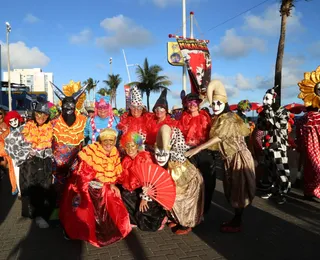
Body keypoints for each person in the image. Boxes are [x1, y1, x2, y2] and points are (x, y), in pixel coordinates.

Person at [186, 79, 256, 233]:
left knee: (239, 190)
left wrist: (195, 150)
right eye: (213, 104)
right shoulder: (219, 119)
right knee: (233, 190)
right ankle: (236, 220)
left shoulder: (228, 118)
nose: (215, 106)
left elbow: (219, 138)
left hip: (238, 158)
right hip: (230, 159)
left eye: (218, 103)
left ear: (224, 103)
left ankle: (237, 222)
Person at [59, 128, 131, 247]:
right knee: (81, 210)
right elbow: (82, 173)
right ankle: (75, 232)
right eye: (105, 140)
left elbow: (114, 171)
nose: (108, 144)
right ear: (101, 141)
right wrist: (91, 184)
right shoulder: (91, 151)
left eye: (111, 141)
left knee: (112, 201)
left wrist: (112, 184)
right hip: (87, 186)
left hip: (103, 187)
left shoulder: (114, 152)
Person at [155, 125, 204, 235]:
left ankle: (186, 223)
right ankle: (178, 219)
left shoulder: (177, 136)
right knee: (174, 196)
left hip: (180, 170)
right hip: (171, 168)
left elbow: (179, 153)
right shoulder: (165, 132)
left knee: (183, 196)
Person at [177, 93, 218, 215]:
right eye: (189, 102)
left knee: (208, 182)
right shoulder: (183, 118)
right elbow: (178, 134)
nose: (192, 105)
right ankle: (190, 211)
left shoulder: (206, 116)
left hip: (205, 152)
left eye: (194, 102)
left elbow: (214, 133)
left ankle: (204, 210)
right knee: (189, 182)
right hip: (189, 153)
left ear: (199, 104)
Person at [119, 131, 167, 231]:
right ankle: (134, 219)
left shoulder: (145, 158)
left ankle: (161, 217)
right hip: (134, 191)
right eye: (127, 146)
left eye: (133, 146)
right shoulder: (126, 160)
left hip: (148, 191)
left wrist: (145, 198)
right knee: (125, 195)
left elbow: (151, 180)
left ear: (137, 146)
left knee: (148, 223)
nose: (130, 149)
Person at [50, 81, 88, 206]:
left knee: (73, 188)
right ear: (61, 106)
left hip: (75, 162)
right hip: (57, 165)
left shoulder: (83, 122)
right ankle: (57, 209)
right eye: (65, 107)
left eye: (71, 107)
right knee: (58, 189)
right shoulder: (54, 123)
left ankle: (72, 213)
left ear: (75, 106)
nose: (68, 109)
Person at [19, 102, 56, 228]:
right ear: (34, 114)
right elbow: (18, 144)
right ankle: (34, 214)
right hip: (30, 162)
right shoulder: (27, 126)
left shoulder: (51, 127)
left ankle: (42, 214)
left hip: (45, 161)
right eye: (38, 114)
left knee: (45, 186)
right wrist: (26, 150)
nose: (41, 117)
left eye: (44, 115)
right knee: (32, 186)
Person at [257, 86, 291, 204]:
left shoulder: (283, 112)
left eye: (267, 99)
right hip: (267, 145)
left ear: (274, 99)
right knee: (270, 168)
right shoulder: (264, 112)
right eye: (264, 98)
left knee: (281, 169)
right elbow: (260, 127)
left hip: (278, 145)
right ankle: (273, 189)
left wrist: (269, 112)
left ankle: (283, 192)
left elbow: (276, 125)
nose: (264, 101)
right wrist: (263, 115)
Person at [296, 66, 320, 202]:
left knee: (309, 169)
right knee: (316, 169)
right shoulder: (315, 118)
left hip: (307, 149)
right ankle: (314, 191)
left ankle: (308, 191)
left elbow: (299, 136)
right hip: (314, 149)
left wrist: (300, 146)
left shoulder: (302, 119)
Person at [4, 111, 27, 197]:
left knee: (26, 173)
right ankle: (20, 191)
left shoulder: (25, 128)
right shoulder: (7, 133)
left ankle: (26, 189)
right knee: (17, 173)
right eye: (11, 121)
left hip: (26, 155)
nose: (14, 123)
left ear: (18, 119)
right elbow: (5, 145)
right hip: (14, 157)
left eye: (15, 120)